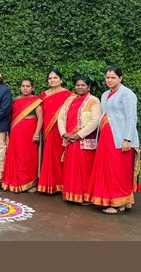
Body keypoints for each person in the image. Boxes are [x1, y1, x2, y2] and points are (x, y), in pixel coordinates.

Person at [85, 67, 141, 214]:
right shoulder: (105, 94)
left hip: (120, 139)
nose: (110, 80)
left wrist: (127, 139)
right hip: (106, 138)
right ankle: (122, 201)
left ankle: (119, 203)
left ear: (120, 78)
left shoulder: (127, 94)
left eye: (113, 77)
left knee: (119, 171)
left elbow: (132, 117)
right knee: (108, 170)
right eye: (107, 77)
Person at [57, 76, 101, 204]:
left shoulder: (94, 101)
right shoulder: (69, 100)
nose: (80, 87)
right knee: (70, 168)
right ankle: (71, 195)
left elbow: (95, 121)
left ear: (89, 87)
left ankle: (86, 197)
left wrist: (79, 135)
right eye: (77, 85)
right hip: (70, 140)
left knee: (85, 169)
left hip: (84, 141)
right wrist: (63, 133)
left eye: (83, 85)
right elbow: (61, 117)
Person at [1, 78, 43, 193]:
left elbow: (40, 119)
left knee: (28, 158)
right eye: (23, 86)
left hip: (29, 134)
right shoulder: (16, 101)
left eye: (28, 86)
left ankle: (30, 183)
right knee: (15, 157)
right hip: (16, 133)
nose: (25, 88)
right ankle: (15, 182)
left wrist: (36, 134)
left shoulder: (36, 101)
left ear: (32, 88)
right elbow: (11, 117)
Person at [37, 69, 73, 194]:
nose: (52, 80)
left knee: (60, 156)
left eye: (55, 78)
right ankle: (48, 184)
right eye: (50, 78)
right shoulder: (44, 95)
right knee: (48, 155)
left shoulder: (69, 95)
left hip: (61, 129)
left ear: (61, 80)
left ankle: (62, 184)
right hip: (47, 129)